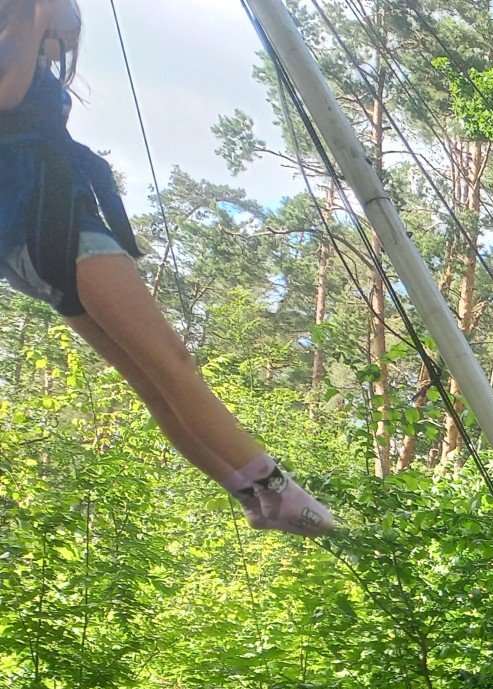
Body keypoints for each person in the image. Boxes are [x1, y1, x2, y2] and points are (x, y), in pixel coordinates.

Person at [0, 0, 337, 536]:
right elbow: (9, 93)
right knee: (171, 362)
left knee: (151, 379)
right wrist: (28, 14)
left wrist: (39, 20)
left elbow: (65, 29)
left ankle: (250, 495)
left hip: (33, 238)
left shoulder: (27, 40)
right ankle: (278, 491)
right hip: (55, 227)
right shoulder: (15, 35)